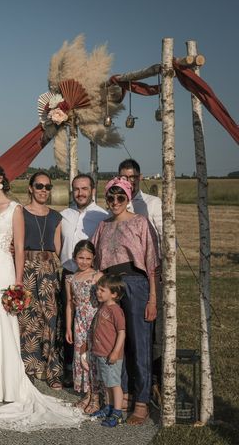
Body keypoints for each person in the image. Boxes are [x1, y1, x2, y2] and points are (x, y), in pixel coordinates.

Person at [0, 163, 84, 432]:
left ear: (2, 179)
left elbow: (18, 250)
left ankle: (5, 382)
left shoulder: (15, 209)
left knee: (3, 324)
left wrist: (17, 283)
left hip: (2, 271)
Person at [92, 176, 159, 425]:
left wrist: (152, 298)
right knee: (113, 343)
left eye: (121, 197)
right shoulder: (103, 225)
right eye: (111, 197)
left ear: (128, 198)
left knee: (139, 343)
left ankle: (141, 401)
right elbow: (95, 258)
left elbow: (152, 263)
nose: (115, 201)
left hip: (136, 284)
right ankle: (122, 395)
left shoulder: (140, 223)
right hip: (111, 287)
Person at [118, 158, 164, 398]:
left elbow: (164, 236)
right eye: (125, 177)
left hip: (150, 272)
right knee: (126, 329)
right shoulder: (117, 203)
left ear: (140, 177)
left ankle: (154, 380)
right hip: (126, 276)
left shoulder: (152, 204)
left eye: (133, 177)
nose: (129, 181)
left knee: (152, 329)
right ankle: (128, 383)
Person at [59, 174, 109, 385]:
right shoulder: (64, 215)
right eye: (76, 189)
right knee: (69, 320)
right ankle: (71, 368)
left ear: (92, 190)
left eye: (84, 189)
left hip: (91, 278)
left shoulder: (102, 216)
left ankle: (94, 373)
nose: (80, 193)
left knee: (90, 324)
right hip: (68, 275)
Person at [19, 171, 64, 389]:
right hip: (27, 268)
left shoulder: (56, 216)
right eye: (39, 186)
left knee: (51, 318)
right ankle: (28, 367)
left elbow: (58, 249)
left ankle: (52, 369)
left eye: (47, 187)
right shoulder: (20, 212)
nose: (43, 190)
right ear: (30, 188)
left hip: (48, 270)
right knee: (27, 319)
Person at [64, 240, 102, 414]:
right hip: (79, 322)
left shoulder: (98, 276)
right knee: (82, 358)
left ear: (93, 258)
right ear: (74, 257)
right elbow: (70, 304)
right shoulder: (70, 278)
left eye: (88, 258)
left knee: (93, 358)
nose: (84, 261)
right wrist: (68, 328)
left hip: (95, 321)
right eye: (80, 257)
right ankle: (87, 394)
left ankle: (96, 398)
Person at [89, 274, 127, 428]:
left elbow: (122, 332)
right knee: (107, 383)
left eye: (102, 290)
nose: (98, 293)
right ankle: (109, 408)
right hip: (101, 354)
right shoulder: (103, 306)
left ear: (114, 294)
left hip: (111, 355)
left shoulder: (116, 310)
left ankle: (118, 413)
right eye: (98, 289)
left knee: (114, 384)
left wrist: (115, 352)